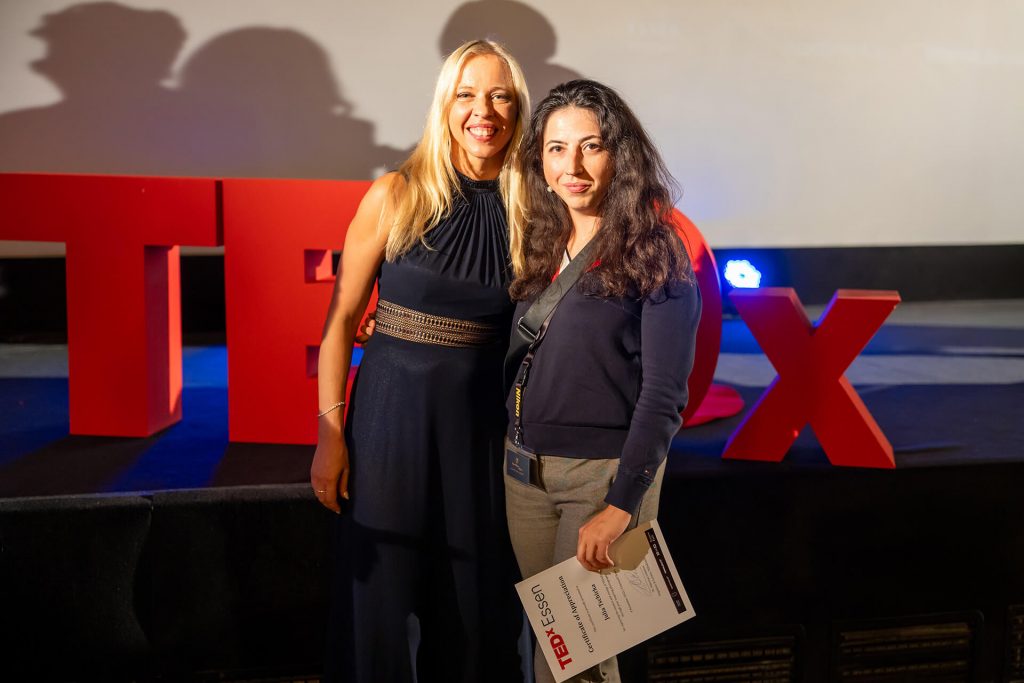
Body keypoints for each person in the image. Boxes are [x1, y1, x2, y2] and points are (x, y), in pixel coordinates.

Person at [309, 40, 529, 683]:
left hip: (481, 430)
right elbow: (340, 322)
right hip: (389, 421)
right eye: (466, 94)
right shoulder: (396, 194)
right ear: (445, 105)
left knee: (473, 605)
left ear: (517, 109)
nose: (482, 110)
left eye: (499, 95)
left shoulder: (533, 210)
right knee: (379, 602)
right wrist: (329, 437)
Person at [504, 79, 701, 683]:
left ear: (621, 152)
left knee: (579, 665)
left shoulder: (656, 248)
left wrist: (623, 505)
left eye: (591, 146)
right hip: (524, 473)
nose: (574, 166)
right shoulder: (540, 237)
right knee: (548, 647)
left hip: (603, 479)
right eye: (557, 148)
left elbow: (666, 395)